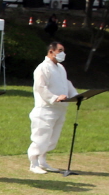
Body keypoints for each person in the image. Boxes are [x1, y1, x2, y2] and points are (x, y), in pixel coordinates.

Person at [27, 41, 78, 174]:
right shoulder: (42, 68)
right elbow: (40, 87)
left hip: (60, 109)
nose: (62, 53)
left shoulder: (60, 68)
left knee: (52, 138)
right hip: (45, 109)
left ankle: (43, 161)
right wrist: (54, 98)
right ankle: (34, 163)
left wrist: (76, 95)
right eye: (60, 50)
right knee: (41, 137)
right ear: (51, 51)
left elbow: (66, 83)